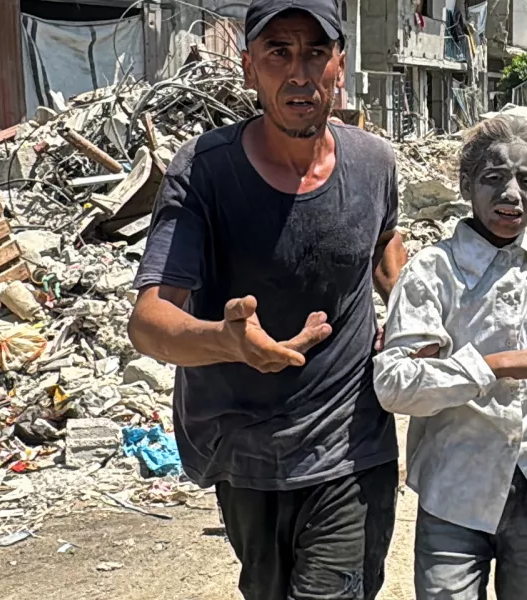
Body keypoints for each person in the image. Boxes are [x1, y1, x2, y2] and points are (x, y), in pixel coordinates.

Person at [126, 2, 407, 598]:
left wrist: (413, 312)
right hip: (247, 450)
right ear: (250, 68)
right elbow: (149, 323)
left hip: (352, 445)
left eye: (314, 52)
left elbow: (383, 246)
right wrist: (225, 341)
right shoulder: (205, 171)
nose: (298, 73)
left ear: (340, 65)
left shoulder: (374, 163)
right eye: (278, 52)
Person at [374, 117, 527, 600]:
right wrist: (496, 365)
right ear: (466, 185)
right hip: (454, 495)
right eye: (493, 179)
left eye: (526, 181)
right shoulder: (433, 272)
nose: (510, 193)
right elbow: (394, 383)